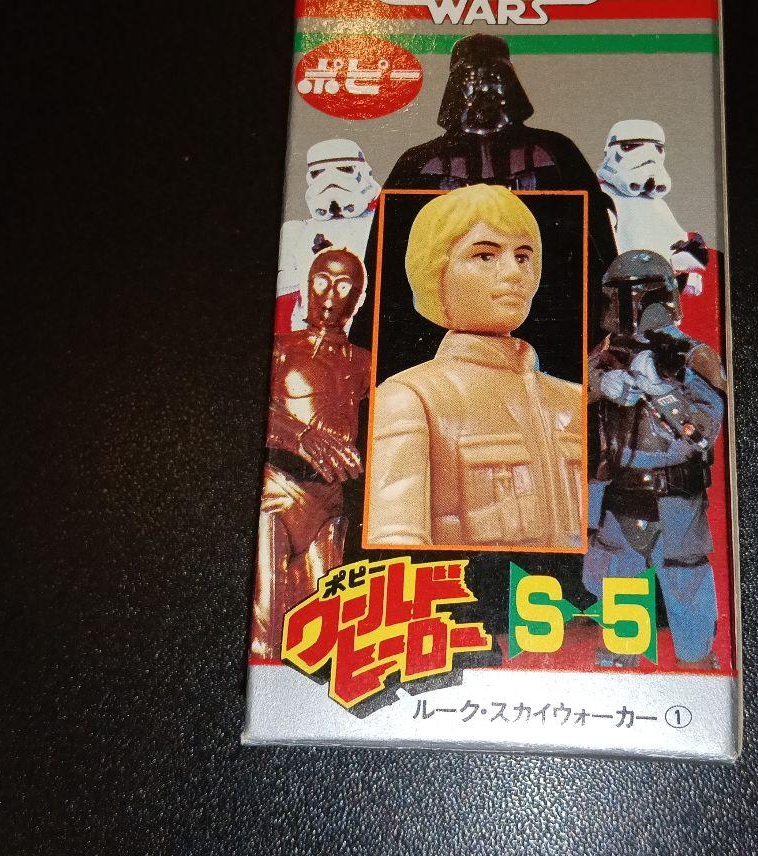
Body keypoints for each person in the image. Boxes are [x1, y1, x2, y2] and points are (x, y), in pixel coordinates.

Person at [366, 185, 584, 550]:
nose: (513, 273)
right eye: (485, 255)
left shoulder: (573, 399)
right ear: (437, 270)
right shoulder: (413, 398)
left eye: (523, 257)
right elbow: (394, 541)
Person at [377, 34, 616, 346]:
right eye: (471, 78)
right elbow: (385, 254)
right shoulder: (419, 162)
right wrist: (374, 337)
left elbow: (598, 239)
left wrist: (609, 317)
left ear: (510, 82)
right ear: (455, 87)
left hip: (551, 311)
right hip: (445, 319)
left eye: (494, 77)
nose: (483, 89)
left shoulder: (556, 152)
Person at [585, 249, 726, 669]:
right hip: (617, 489)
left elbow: (703, 431)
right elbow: (563, 412)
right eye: (619, 296)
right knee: (615, 572)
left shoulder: (692, 357)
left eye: (635, 296)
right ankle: (621, 651)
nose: (626, 308)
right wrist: (600, 386)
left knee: (684, 575)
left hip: (675, 492)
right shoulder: (602, 356)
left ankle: (696, 659)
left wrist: (662, 392)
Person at [250, 248, 370, 659]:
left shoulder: (365, 363)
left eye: (343, 285)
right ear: (307, 286)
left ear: (358, 298)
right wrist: (301, 436)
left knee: (315, 640)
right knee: (264, 632)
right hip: (278, 492)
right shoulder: (281, 348)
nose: (330, 294)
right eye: (322, 281)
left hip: (328, 505)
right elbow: (255, 411)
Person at [276, 138, 380, 332]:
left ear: (364, 172)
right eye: (318, 173)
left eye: (344, 169)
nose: (331, 181)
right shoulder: (297, 232)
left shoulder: (381, 220)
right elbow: (284, 302)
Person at [596, 120, 708, 295]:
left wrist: (689, 254)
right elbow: (609, 257)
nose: (648, 158)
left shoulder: (657, 204)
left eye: (657, 148)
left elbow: (675, 248)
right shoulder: (604, 199)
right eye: (631, 147)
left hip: (661, 294)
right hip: (626, 295)